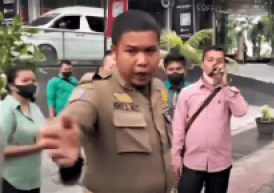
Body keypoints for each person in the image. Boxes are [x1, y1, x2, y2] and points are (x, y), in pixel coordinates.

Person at [36, 10, 174, 193]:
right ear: (115, 53)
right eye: (131, 51)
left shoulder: (159, 89)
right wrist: (64, 138)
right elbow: (74, 117)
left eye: (150, 51)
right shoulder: (97, 90)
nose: (142, 61)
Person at [172, 46, 248, 193]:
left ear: (224, 65)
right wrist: (175, 155)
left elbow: (241, 111)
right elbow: (179, 126)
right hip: (192, 161)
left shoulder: (228, 92)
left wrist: (225, 85)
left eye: (219, 61)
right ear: (202, 64)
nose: (214, 64)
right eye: (210, 60)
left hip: (220, 163)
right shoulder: (188, 93)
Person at [0, 66, 55, 193]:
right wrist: (37, 147)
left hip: (33, 180)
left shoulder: (33, 107)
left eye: (33, 81)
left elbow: (40, 132)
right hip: (13, 182)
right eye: (25, 80)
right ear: (12, 86)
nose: (31, 84)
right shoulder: (6, 110)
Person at [163, 52, 190, 119]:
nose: (175, 72)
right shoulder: (161, 89)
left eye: (178, 69)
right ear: (166, 71)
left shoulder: (191, 90)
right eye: (171, 69)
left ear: (184, 70)